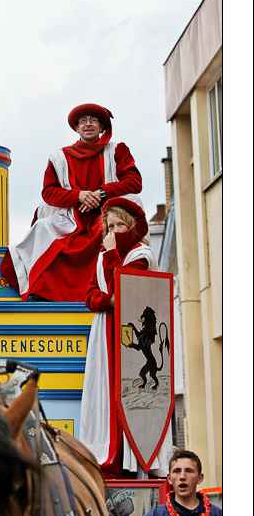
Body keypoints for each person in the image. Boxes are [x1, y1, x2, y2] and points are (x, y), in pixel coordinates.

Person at [0, 104, 142, 302]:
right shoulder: (59, 157)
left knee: (116, 224)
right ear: (76, 128)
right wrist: (78, 196)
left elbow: (134, 182)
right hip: (70, 217)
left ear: (102, 126)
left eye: (93, 120)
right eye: (83, 121)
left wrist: (101, 193)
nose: (88, 124)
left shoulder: (117, 150)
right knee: (42, 227)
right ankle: (41, 291)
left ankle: (112, 288)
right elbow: (49, 192)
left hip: (106, 215)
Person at [78, 198, 173, 477]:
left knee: (129, 392)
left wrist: (110, 263)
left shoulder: (141, 255)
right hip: (105, 330)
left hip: (129, 333)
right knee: (105, 391)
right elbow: (90, 296)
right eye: (110, 226)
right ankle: (108, 456)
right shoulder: (103, 257)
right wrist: (108, 300)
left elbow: (126, 291)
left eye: (120, 225)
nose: (114, 231)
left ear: (132, 226)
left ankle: (133, 463)